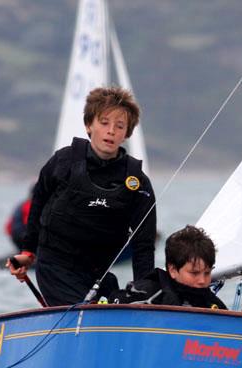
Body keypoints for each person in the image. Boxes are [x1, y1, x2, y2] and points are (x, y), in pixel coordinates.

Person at [8, 86, 157, 305]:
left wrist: (143, 294)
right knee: (89, 311)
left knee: (116, 306)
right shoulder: (63, 162)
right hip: (55, 268)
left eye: (119, 126)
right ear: (89, 125)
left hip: (98, 273)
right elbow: (38, 203)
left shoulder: (138, 183)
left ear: (126, 134)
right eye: (104, 123)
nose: (111, 131)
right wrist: (28, 253)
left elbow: (144, 244)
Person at [110, 225, 227, 310]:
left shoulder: (216, 308)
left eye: (207, 273)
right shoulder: (142, 294)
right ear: (173, 270)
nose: (202, 281)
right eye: (194, 273)